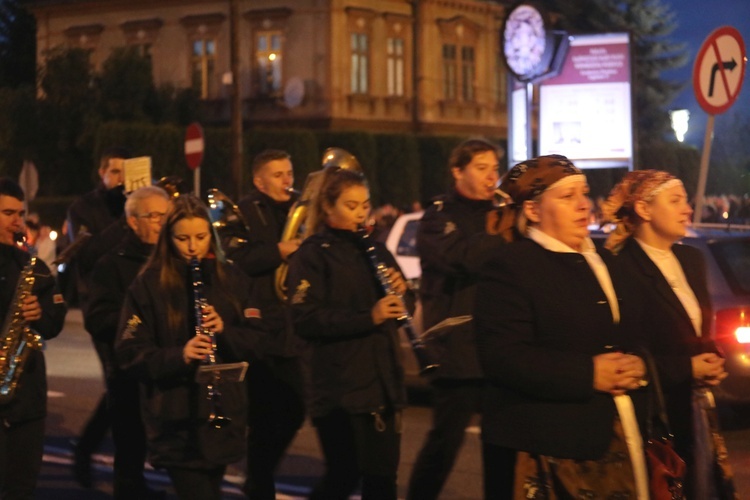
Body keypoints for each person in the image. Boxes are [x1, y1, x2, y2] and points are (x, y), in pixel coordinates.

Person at [474, 155, 650, 499]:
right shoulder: (510, 267)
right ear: (534, 211)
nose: (584, 205)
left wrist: (640, 364)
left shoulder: (607, 261)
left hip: (615, 437)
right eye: (567, 197)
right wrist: (588, 373)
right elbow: (502, 357)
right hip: (544, 447)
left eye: (584, 193)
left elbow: (638, 332)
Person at [114, 195, 267, 500]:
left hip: (222, 415)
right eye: (183, 238)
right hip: (175, 418)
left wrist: (224, 331)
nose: (193, 247)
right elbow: (129, 353)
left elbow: (259, 342)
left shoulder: (233, 279)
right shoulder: (148, 285)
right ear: (168, 239)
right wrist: (180, 355)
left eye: (201, 237)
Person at [600, 169, 731, 498]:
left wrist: (712, 357)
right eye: (675, 201)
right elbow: (630, 352)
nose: (687, 209)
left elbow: (695, 330)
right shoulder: (619, 268)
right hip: (654, 414)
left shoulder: (691, 258)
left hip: (695, 407)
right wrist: (688, 368)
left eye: (686, 200)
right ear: (644, 210)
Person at [287, 167, 412, 500]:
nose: (361, 213)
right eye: (351, 205)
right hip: (339, 389)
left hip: (383, 382)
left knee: (383, 481)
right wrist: (367, 317)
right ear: (328, 208)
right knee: (344, 476)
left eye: (365, 205)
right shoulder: (312, 255)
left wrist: (403, 294)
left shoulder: (376, 250)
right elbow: (306, 319)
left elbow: (401, 308)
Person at [407, 138, 506, 500]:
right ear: (457, 171)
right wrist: (501, 234)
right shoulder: (438, 216)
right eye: (481, 168)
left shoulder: (500, 213)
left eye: (495, 169)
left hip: (497, 345)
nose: (491, 177)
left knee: (502, 445)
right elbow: (461, 258)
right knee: (444, 443)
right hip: (457, 349)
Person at [227, 149, 305, 500]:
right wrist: (280, 250)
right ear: (259, 181)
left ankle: (258, 475)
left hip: (294, 324)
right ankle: (260, 486)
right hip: (261, 325)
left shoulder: (300, 210)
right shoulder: (244, 212)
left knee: (295, 409)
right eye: (278, 175)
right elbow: (237, 260)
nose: (287, 181)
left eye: (289, 173)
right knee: (263, 415)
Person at [84, 186, 170, 499]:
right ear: (133, 222)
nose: (161, 222)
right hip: (129, 369)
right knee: (131, 443)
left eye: (165, 216)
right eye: (153, 216)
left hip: (167, 364)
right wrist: (139, 319)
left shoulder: (173, 258)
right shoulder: (112, 264)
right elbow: (97, 318)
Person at [0, 178, 67, 499]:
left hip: (26, 394)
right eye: (7, 212)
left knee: (21, 486)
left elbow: (55, 323)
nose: (17, 220)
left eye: (20, 212)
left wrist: (40, 313)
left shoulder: (32, 266)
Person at [68, 147, 130, 485]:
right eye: (115, 172)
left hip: (135, 306)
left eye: (126, 172)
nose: (120, 180)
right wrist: (126, 219)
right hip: (103, 310)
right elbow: (88, 252)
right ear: (102, 173)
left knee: (128, 390)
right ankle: (88, 454)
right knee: (119, 387)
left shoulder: (134, 204)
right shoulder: (83, 208)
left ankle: (129, 476)